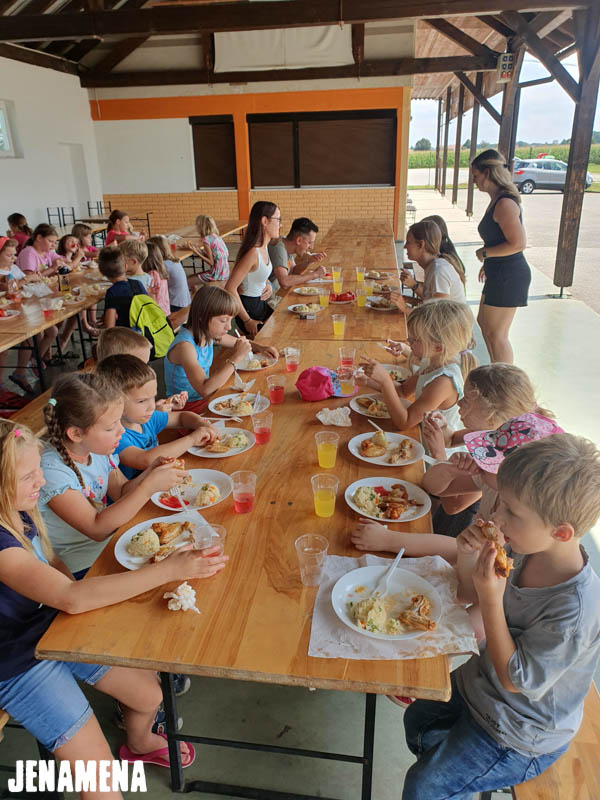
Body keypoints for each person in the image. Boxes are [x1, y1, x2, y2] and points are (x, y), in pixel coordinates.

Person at [0, 420, 226, 796]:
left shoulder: (17, 510)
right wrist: (168, 570)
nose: (40, 480)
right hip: (14, 659)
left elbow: (55, 568)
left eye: (38, 470)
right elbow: (70, 596)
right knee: (100, 776)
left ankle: (138, 743)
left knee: (150, 694)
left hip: (49, 623)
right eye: (27, 477)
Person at [401, 433, 600, 799]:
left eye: (510, 512)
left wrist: (492, 598)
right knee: (417, 720)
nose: (495, 517)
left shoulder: (575, 612)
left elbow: (514, 680)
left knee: (424, 785)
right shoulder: (524, 548)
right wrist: (467, 555)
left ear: (561, 532)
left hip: (520, 730)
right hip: (480, 685)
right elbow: (466, 593)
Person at [38, 372, 188, 579]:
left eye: (119, 421)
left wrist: (150, 473)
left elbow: (122, 492)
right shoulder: (51, 471)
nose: (122, 431)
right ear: (76, 434)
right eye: (111, 427)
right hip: (83, 565)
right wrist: (148, 488)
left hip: (116, 542)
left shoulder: (97, 450)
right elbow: (97, 529)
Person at [350, 414, 563, 559]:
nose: (480, 460)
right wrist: (451, 470)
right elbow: (431, 486)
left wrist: (390, 540)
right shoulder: (491, 481)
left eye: (489, 460)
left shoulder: (516, 513)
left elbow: (462, 550)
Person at [422, 364, 555, 537]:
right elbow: (435, 483)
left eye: (466, 401)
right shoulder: (497, 438)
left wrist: (439, 453)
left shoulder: (499, 467)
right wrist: (442, 430)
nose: (459, 402)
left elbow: (452, 506)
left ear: (491, 418)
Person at [359, 299, 476, 431]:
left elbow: (404, 422)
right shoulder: (431, 361)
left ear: (438, 347)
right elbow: (403, 391)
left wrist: (385, 381)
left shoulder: (444, 381)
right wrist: (367, 380)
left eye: (415, 339)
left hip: (434, 442)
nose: (408, 340)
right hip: (421, 431)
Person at [96, 355, 218, 479]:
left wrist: (202, 424)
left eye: (153, 397)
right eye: (142, 401)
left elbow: (182, 417)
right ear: (115, 402)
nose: (151, 406)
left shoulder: (147, 417)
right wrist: (192, 439)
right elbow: (145, 459)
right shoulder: (116, 436)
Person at [164, 285, 278, 413]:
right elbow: (204, 389)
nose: (229, 327)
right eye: (224, 320)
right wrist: (236, 357)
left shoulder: (207, 333)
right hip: (185, 408)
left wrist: (261, 348)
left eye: (230, 320)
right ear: (202, 317)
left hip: (205, 399)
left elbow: (237, 342)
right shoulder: (185, 347)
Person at [472, 149, 531, 364]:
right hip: (498, 271)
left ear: (487, 173)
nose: (474, 181)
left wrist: (485, 253)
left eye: (476, 176)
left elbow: (518, 243)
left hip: (510, 274)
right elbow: (498, 239)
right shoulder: (496, 200)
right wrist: (489, 261)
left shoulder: (505, 203)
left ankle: (505, 379)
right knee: (485, 325)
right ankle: (496, 372)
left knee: (497, 335)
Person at [0, 236, 58, 383]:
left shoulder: (13, 268)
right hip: (7, 316)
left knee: (52, 330)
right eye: (9, 255)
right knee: (9, 347)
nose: (13, 258)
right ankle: (18, 374)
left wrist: (34, 278)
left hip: (22, 309)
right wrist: (26, 279)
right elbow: (9, 288)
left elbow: (24, 284)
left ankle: (31, 363)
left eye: (14, 254)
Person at [224, 201, 280, 338]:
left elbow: (257, 274)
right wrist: (247, 320)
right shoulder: (253, 253)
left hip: (260, 304)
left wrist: (268, 284)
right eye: (278, 219)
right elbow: (230, 288)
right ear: (265, 221)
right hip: (249, 310)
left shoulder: (264, 247)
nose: (281, 224)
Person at [394, 220, 465, 308]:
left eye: (408, 242)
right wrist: (404, 299)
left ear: (421, 244)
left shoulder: (438, 271)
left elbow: (437, 314)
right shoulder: (432, 266)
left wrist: (404, 307)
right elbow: (429, 303)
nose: (405, 247)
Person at [268, 217, 327, 290]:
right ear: (298, 240)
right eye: (309, 243)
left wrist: (309, 261)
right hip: (271, 296)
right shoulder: (279, 248)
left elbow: (293, 271)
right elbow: (284, 282)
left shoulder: (287, 245)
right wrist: (314, 274)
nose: (311, 247)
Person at [98, 246, 148, 329]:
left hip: (125, 334)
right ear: (125, 266)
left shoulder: (112, 292)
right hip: (145, 330)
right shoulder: (138, 284)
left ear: (102, 272)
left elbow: (109, 327)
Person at [147, 235, 191, 312]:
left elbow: (150, 281)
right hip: (184, 300)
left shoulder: (163, 265)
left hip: (175, 304)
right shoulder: (173, 260)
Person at [186, 215, 229, 285]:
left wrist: (196, 252)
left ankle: (195, 291)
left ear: (201, 227)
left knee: (186, 281)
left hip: (216, 274)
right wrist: (198, 249)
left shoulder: (206, 240)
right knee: (190, 278)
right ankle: (195, 291)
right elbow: (213, 256)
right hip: (224, 271)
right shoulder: (216, 237)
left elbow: (211, 262)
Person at [142, 240, 171, 315]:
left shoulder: (152, 275)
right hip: (165, 310)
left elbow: (149, 295)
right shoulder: (160, 271)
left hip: (157, 313)